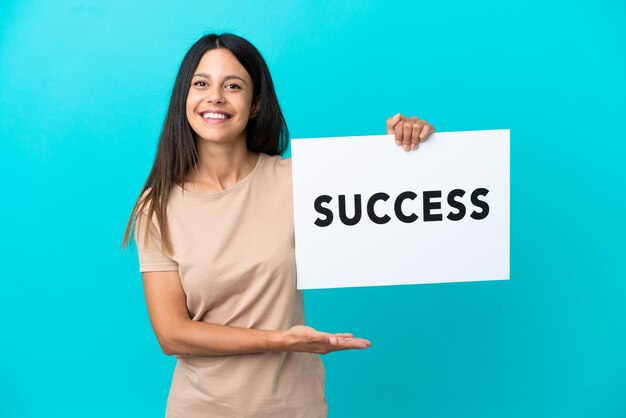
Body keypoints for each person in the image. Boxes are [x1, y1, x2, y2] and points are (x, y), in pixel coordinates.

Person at [121, 33, 434, 418]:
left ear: (254, 105)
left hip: (294, 406)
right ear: (184, 98)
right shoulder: (158, 206)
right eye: (201, 83)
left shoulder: (302, 182)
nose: (215, 96)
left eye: (232, 86)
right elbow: (172, 334)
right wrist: (282, 340)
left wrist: (409, 149)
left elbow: (397, 202)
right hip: (200, 408)